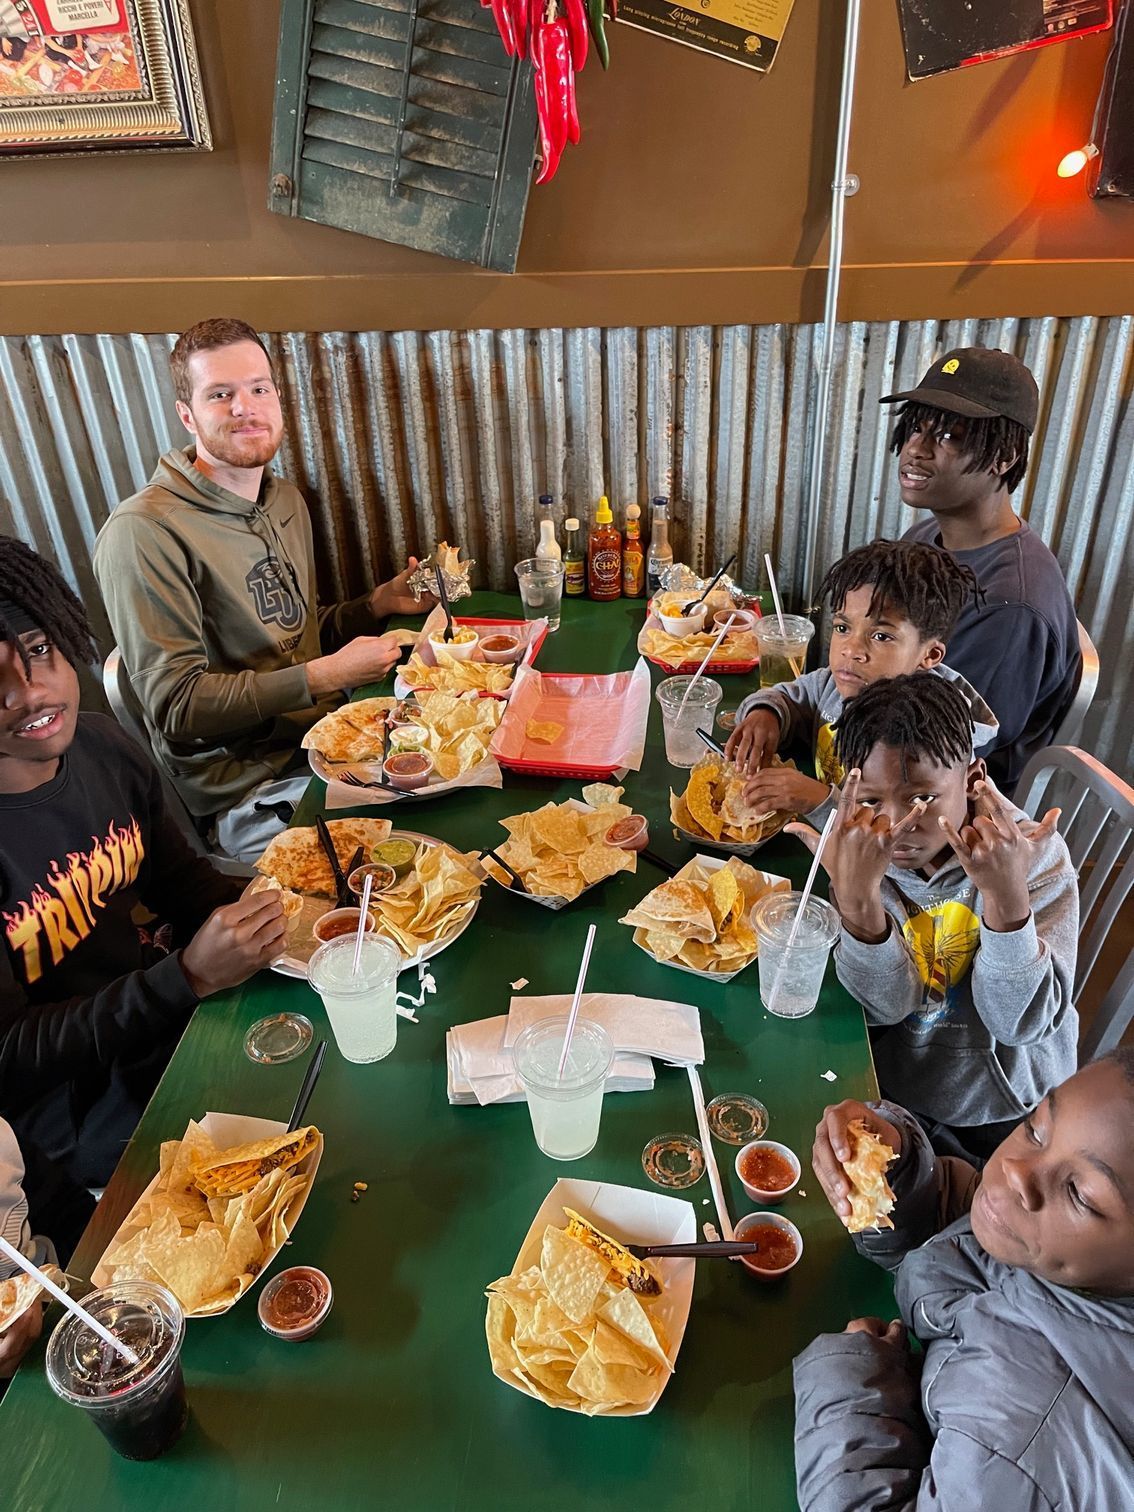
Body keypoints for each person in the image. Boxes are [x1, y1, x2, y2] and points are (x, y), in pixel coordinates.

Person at [0, 537, 287, 1192]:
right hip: (67, 1118)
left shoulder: (102, 745)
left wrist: (286, 919)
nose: (30, 690)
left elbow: (182, 885)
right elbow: (8, 1056)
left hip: (156, 1024)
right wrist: (185, 976)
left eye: (39, 651)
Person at [93, 316, 435, 860]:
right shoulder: (143, 533)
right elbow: (175, 705)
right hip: (251, 791)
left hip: (331, 741)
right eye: (220, 394)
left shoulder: (284, 500)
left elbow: (288, 636)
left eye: (259, 389)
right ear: (187, 415)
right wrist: (325, 674)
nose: (244, 407)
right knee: (432, 847)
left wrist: (374, 605)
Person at [795, 1050, 1134, 1511]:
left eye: (1079, 1192)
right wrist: (894, 1166)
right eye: (1036, 1129)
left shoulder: (1024, 1442)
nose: (1017, 1169)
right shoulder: (1047, 1250)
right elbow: (968, 1237)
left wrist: (856, 1393)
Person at [787, 673, 1078, 1162]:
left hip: (1012, 1112)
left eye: (922, 799)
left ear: (972, 778)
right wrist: (857, 904)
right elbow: (887, 1008)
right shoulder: (858, 852)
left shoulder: (1034, 858)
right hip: (900, 1092)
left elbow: (1020, 1025)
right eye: (871, 800)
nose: (899, 824)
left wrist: (1006, 900)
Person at [882, 346, 1081, 792]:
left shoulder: (1008, 606)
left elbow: (937, 752)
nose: (916, 449)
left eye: (949, 436)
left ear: (1003, 458)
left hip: (937, 812)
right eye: (915, 427)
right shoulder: (926, 536)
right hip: (882, 743)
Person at [725, 539, 996, 819]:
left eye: (881, 636)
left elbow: (900, 840)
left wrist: (819, 801)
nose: (851, 650)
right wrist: (766, 713)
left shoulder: (930, 742)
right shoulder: (835, 684)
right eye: (842, 628)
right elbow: (788, 697)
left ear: (930, 655)